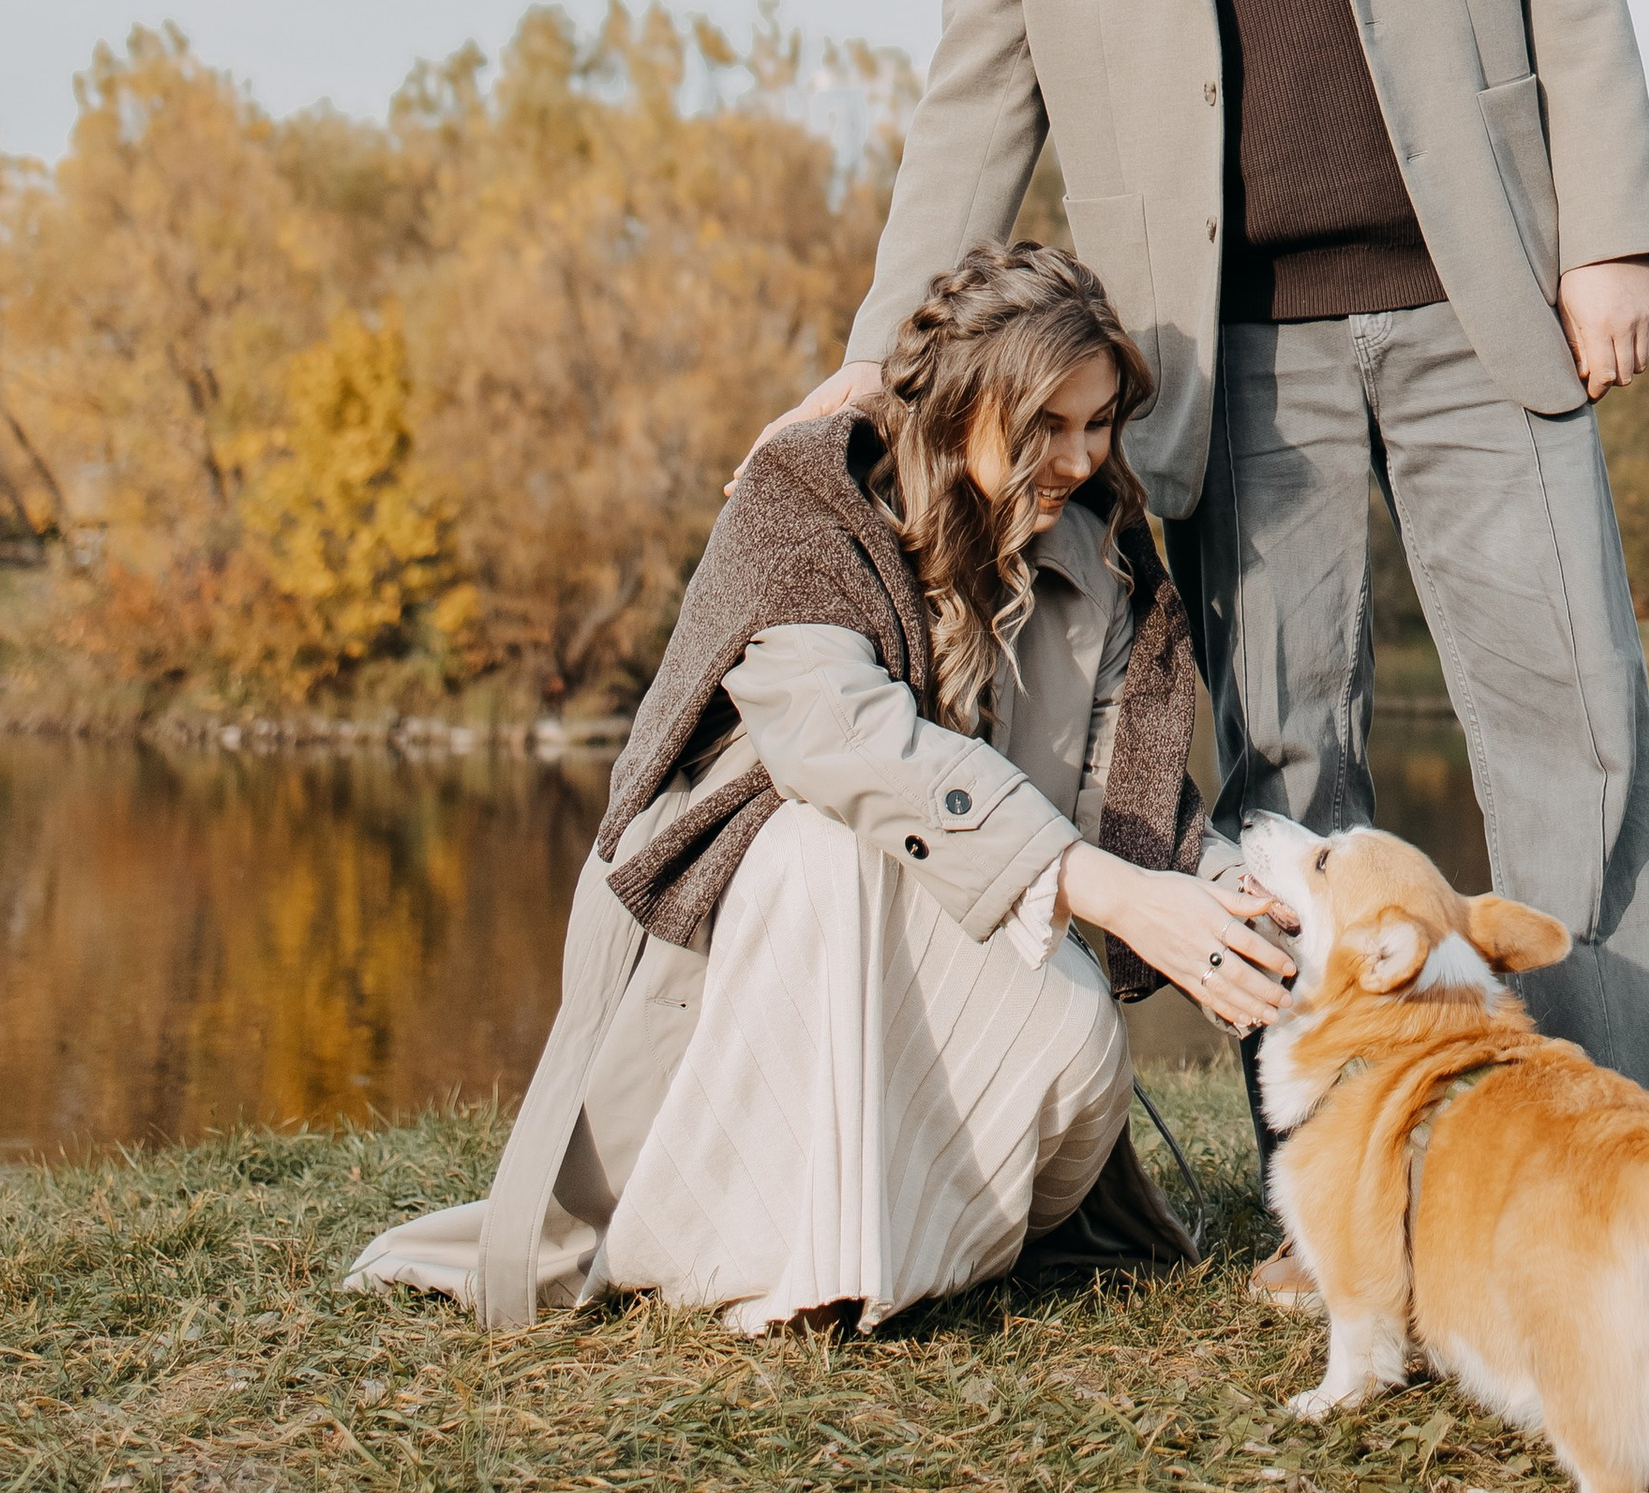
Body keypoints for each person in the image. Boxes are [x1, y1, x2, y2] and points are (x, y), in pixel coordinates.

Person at [767, 0, 1649, 1247]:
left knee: (1579, 738)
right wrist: (878, 356)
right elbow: (976, 100)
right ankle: (1355, 1207)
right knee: (1293, 786)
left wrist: (1609, 230)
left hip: (1476, 306)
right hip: (1230, 361)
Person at [348, 240, 1293, 1336]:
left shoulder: (1101, 564)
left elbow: (1137, 821)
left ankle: (889, 1246)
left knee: (1079, 1028)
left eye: (1098, 425)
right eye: (1047, 426)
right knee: (831, 845)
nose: (1082, 459)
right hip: (748, 942)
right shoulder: (805, 504)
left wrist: (1245, 903)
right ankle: (811, 1269)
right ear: (957, 406)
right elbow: (843, 745)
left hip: (948, 939)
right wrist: (1105, 891)